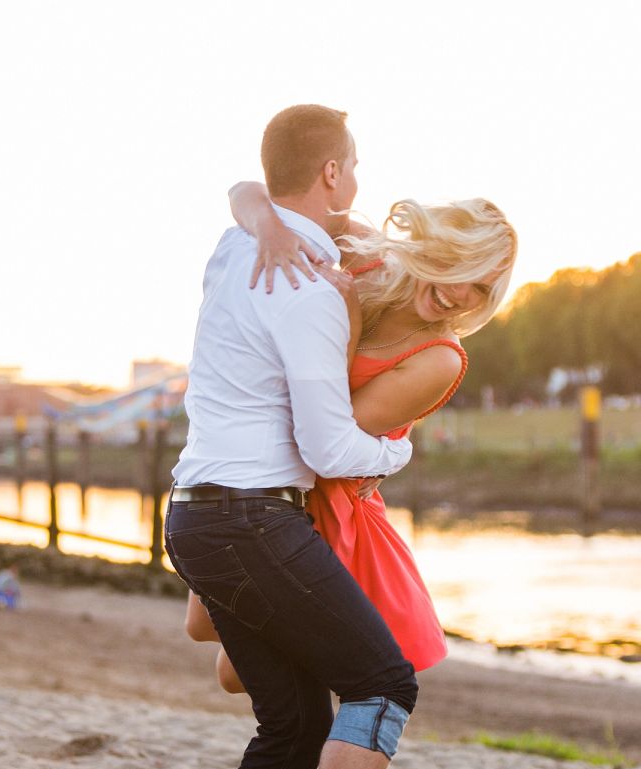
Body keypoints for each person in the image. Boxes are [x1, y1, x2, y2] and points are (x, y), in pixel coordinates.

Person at [153, 105, 422, 769]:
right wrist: (399, 451)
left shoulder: (238, 244)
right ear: (333, 174)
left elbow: (249, 195)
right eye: (355, 167)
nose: (360, 185)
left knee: (298, 719)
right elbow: (329, 445)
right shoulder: (305, 287)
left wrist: (264, 207)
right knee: (384, 679)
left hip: (195, 516)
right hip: (248, 519)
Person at [184, 185, 515, 696]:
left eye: (478, 287)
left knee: (236, 674)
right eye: (454, 266)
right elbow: (251, 191)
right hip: (266, 467)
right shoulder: (365, 252)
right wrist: (270, 230)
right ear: (431, 246)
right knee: (201, 627)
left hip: (326, 496)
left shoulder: (439, 357)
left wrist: (348, 321)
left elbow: (331, 433)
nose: (458, 292)